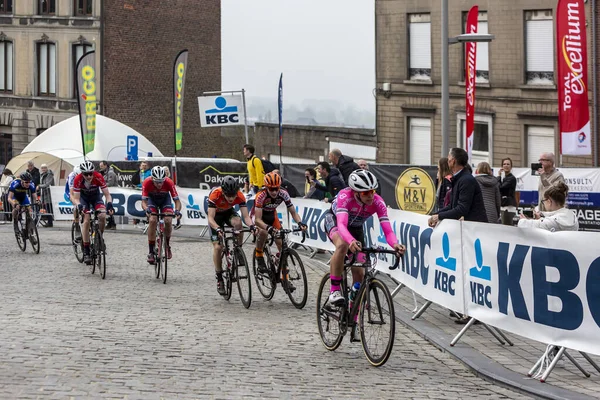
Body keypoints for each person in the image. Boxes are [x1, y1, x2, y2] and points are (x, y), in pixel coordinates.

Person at [323, 169, 406, 306]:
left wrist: (395, 244)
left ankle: (352, 314)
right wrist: (350, 241)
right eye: (365, 193)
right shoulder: (345, 196)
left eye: (372, 191)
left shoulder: (378, 202)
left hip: (356, 229)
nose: (370, 196)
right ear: (355, 192)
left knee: (359, 274)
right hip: (335, 222)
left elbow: (387, 230)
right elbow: (342, 225)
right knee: (342, 245)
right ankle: (335, 290)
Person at [207, 176, 255, 295]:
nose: (231, 198)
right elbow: (210, 218)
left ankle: (238, 249)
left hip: (228, 213)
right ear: (223, 192)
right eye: (228, 195)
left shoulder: (239, 195)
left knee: (238, 223)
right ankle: (219, 278)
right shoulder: (215, 195)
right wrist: (217, 228)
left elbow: (246, 217)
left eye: (233, 195)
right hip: (215, 216)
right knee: (218, 247)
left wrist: (252, 226)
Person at [253, 172, 307, 275]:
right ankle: (259, 254)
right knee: (263, 233)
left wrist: (300, 223)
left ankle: (285, 277)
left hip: (272, 215)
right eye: (271, 189)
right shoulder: (261, 195)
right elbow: (257, 220)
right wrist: (267, 228)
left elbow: (293, 212)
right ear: (266, 187)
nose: (274, 192)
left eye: (276, 188)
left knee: (281, 242)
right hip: (260, 217)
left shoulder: (283, 193)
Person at [428, 148, 487, 227]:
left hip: (475, 229)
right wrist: (436, 214)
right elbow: (452, 205)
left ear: (453, 161)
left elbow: (462, 208)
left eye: (448, 158)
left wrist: (439, 216)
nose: (447, 161)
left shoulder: (466, 180)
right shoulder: (459, 178)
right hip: (469, 227)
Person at [71, 161, 115, 264]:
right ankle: (86, 250)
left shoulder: (98, 176)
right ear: (82, 173)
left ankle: (100, 238)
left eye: (91, 173)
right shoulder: (78, 179)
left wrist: (109, 204)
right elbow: (76, 198)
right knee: (86, 221)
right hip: (84, 199)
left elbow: (107, 195)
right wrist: (79, 206)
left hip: (96, 198)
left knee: (103, 216)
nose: (89, 176)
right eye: (86, 174)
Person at [141, 166, 182, 264]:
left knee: (168, 220)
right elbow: (143, 202)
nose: (159, 184)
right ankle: (151, 251)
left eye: (161, 181)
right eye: (157, 182)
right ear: (152, 179)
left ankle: (167, 245)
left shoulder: (168, 182)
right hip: (152, 200)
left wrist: (177, 211)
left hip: (164, 200)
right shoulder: (147, 182)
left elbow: (177, 201)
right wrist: (146, 209)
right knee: (152, 220)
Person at [7, 172, 38, 240]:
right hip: (15, 197)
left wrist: (38, 201)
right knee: (16, 208)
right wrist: (14, 204)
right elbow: (9, 198)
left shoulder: (31, 184)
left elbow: (35, 196)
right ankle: (15, 223)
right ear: (22, 181)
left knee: (29, 211)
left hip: (24, 197)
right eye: (26, 182)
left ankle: (30, 234)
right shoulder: (15, 183)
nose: (28, 184)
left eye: (29, 182)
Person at [498, 157, 517, 225]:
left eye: (508, 164)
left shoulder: (512, 178)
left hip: (508, 206)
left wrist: (499, 176)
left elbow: (500, 188)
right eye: (504, 164)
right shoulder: (505, 178)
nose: (506, 165)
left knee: (507, 226)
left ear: (511, 166)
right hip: (503, 204)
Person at [99, 161, 118, 230]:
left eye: (101, 166)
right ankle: (110, 223)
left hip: (112, 193)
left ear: (105, 166)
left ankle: (113, 224)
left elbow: (110, 183)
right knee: (107, 207)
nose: (100, 168)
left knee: (110, 208)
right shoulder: (105, 173)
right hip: (108, 192)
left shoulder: (110, 173)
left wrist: (101, 185)